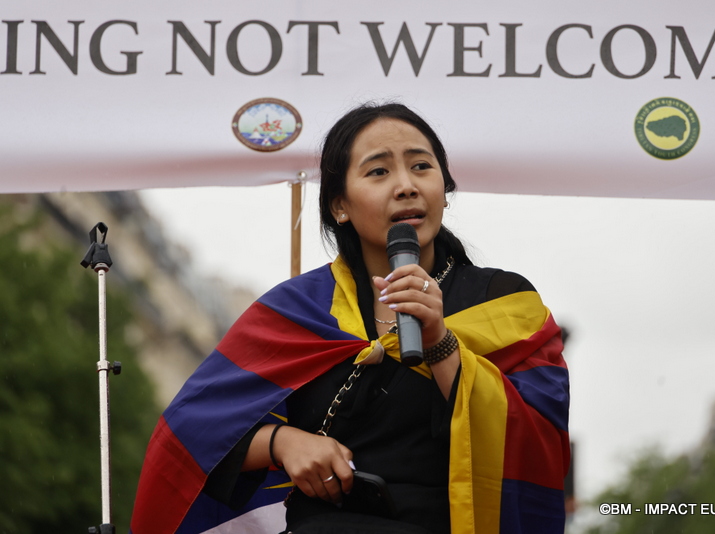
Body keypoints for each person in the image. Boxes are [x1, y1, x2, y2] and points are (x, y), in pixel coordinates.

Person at [131, 103, 570, 534]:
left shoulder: (505, 301)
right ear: (340, 205)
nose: (406, 186)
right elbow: (189, 434)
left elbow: (540, 444)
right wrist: (282, 443)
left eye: (421, 167)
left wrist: (441, 343)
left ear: (443, 187)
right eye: (378, 171)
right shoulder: (297, 308)